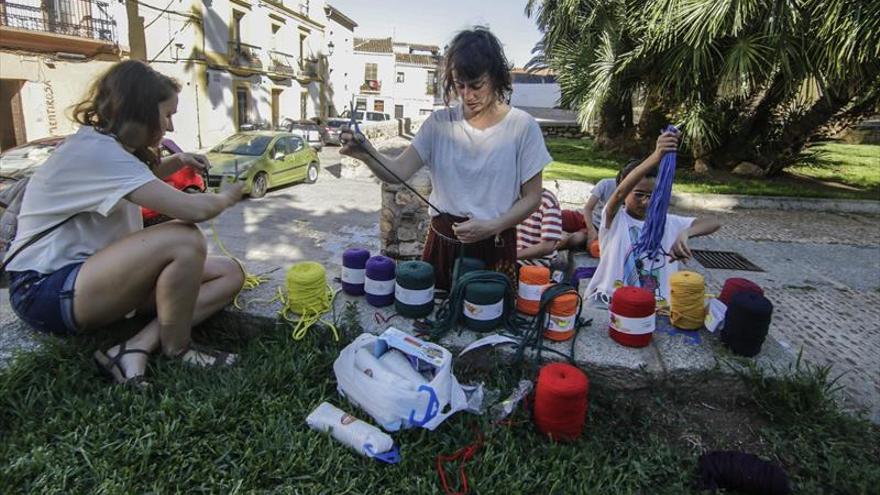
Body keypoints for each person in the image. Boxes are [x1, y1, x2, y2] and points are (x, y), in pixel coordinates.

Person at [4, 60, 246, 386]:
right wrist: (230, 195)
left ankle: (136, 346)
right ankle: (178, 348)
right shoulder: (98, 152)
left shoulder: (105, 147)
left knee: (230, 273)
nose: (170, 127)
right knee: (184, 239)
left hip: (83, 282)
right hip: (43, 290)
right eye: (167, 115)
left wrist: (176, 161)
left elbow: (126, 186)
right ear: (141, 111)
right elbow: (192, 210)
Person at [340, 27, 552, 290]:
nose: (467, 95)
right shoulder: (438, 123)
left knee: (489, 321)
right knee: (431, 318)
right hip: (443, 242)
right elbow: (397, 171)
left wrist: (492, 225)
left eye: (476, 85)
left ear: (496, 78)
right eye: (460, 85)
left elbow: (533, 197)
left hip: (496, 242)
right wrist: (367, 154)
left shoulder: (522, 127)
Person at [585, 130, 720, 305]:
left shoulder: (669, 222)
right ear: (626, 192)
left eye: (653, 195)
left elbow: (714, 222)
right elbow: (618, 195)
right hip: (612, 301)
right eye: (639, 195)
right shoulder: (614, 220)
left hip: (657, 306)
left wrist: (686, 233)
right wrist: (656, 156)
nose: (646, 202)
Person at [516, 188, 562, 268]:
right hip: (513, 257)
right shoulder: (510, 196)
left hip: (537, 263)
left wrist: (511, 255)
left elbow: (547, 246)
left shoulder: (547, 201)